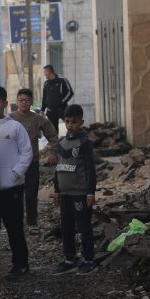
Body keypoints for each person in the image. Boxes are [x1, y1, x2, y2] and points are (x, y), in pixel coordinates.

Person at [0, 86, 33, 281]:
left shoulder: (14, 127)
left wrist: (15, 174)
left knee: (14, 227)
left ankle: (21, 264)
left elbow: (26, 152)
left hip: (11, 187)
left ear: (4, 103)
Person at [52, 104, 97, 275]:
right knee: (66, 227)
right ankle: (69, 259)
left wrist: (90, 192)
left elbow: (90, 169)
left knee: (84, 226)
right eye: (67, 121)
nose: (70, 125)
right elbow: (58, 167)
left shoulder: (85, 143)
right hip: (65, 194)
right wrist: (57, 190)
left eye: (74, 122)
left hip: (80, 193)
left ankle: (89, 259)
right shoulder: (62, 143)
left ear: (81, 122)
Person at [11, 87, 59, 227]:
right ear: (16, 101)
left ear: (31, 102)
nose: (23, 103)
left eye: (26, 100)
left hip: (32, 161)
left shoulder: (38, 119)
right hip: (14, 163)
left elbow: (53, 135)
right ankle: (16, 223)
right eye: (21, 100)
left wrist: (53, 152)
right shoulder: (11, 118)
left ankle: (32, 223)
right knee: (15, 195)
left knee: (31, 194)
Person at [41, 64, 74, 134]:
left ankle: (74, 140)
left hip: (62, 110)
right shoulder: (46, 83)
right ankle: (55, 144)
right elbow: (44, 97)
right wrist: (42, 110)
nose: (44, 74)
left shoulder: (62, 80)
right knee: (54, 132)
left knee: (71, 126)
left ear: (49, 72)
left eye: (45, 72)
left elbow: (70, 92)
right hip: (51, 112)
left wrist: (62, 101)